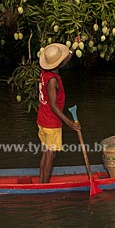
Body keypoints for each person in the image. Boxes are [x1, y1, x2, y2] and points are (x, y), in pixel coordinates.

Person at [37, 40, 81, 183]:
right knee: (50, 155)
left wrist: (74, 47)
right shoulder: (53, 81)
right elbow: (53, 106)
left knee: (47, 153)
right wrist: (70, 123)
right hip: (51, 122)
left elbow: (64, 60)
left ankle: (42, 182)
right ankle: (44, 185)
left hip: (42, 119)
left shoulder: (45, 72)